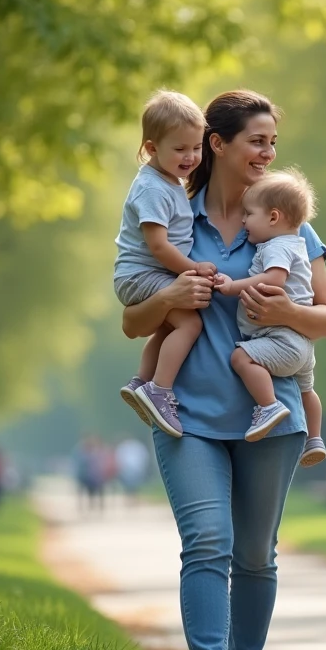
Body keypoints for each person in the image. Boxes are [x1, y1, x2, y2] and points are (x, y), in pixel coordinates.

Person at [121, 90, 326, 650]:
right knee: (207, 542)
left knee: (254, 553)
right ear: (217, 144)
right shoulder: (169, 210)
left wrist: (284, 311)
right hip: (186, 414)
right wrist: (172, 296)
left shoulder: (285, 217)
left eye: (273, 142)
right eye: (257, 141)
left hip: (268, 415)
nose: (268, 153)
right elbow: (134, 324)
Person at [113, 89, 218, 438]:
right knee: (189, 326)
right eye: (180, 149)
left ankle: (142, 382)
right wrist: (192, 268)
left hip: (150, 273)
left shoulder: (169, 180)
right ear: (151, 148)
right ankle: (160, 389)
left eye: (196, 147)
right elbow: (158, 246)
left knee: (170, 326)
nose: (190, 157)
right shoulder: (153, 188)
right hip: (142, 274)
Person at [215, 167, 326, 465]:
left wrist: (232, 287)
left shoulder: (276, 247)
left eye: (249, 214)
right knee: (307, 390)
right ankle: (314, 438)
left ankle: (269, 406)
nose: (243, 220)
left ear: (274, 217)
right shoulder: (297, 244)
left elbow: (273, 280)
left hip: (279, 337)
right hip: (302, 342)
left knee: (241, 359)